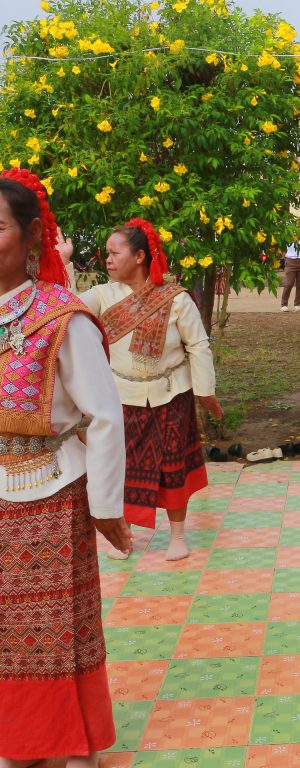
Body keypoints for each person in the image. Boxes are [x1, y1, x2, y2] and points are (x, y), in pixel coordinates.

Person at [0, 169, 130, 768]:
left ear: (31, 235)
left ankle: (76, 742)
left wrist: (105, 507)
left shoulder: (62, 317)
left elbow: (103, 416)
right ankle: (20, 740)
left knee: (61, 624)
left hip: (51, 489)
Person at [79, 218, 223, 561]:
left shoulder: (175, 299)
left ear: (140, 256)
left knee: (173, 464)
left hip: (172, 394)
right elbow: (64, 309)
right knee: (124, 466)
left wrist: (204, 392)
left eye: (115, 253)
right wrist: (63, 260)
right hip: (120, 397)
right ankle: (124, 536)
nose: (108, 259)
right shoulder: (103, 295)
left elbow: (198, 346)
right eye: (107, 253)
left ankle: (178, 536)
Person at [280, 236, 300, 312]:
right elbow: (282, 247)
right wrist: (286, 258)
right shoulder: (289, 235)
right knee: (288, 284)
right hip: (291, 261)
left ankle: (297, 304)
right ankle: (284, 304)